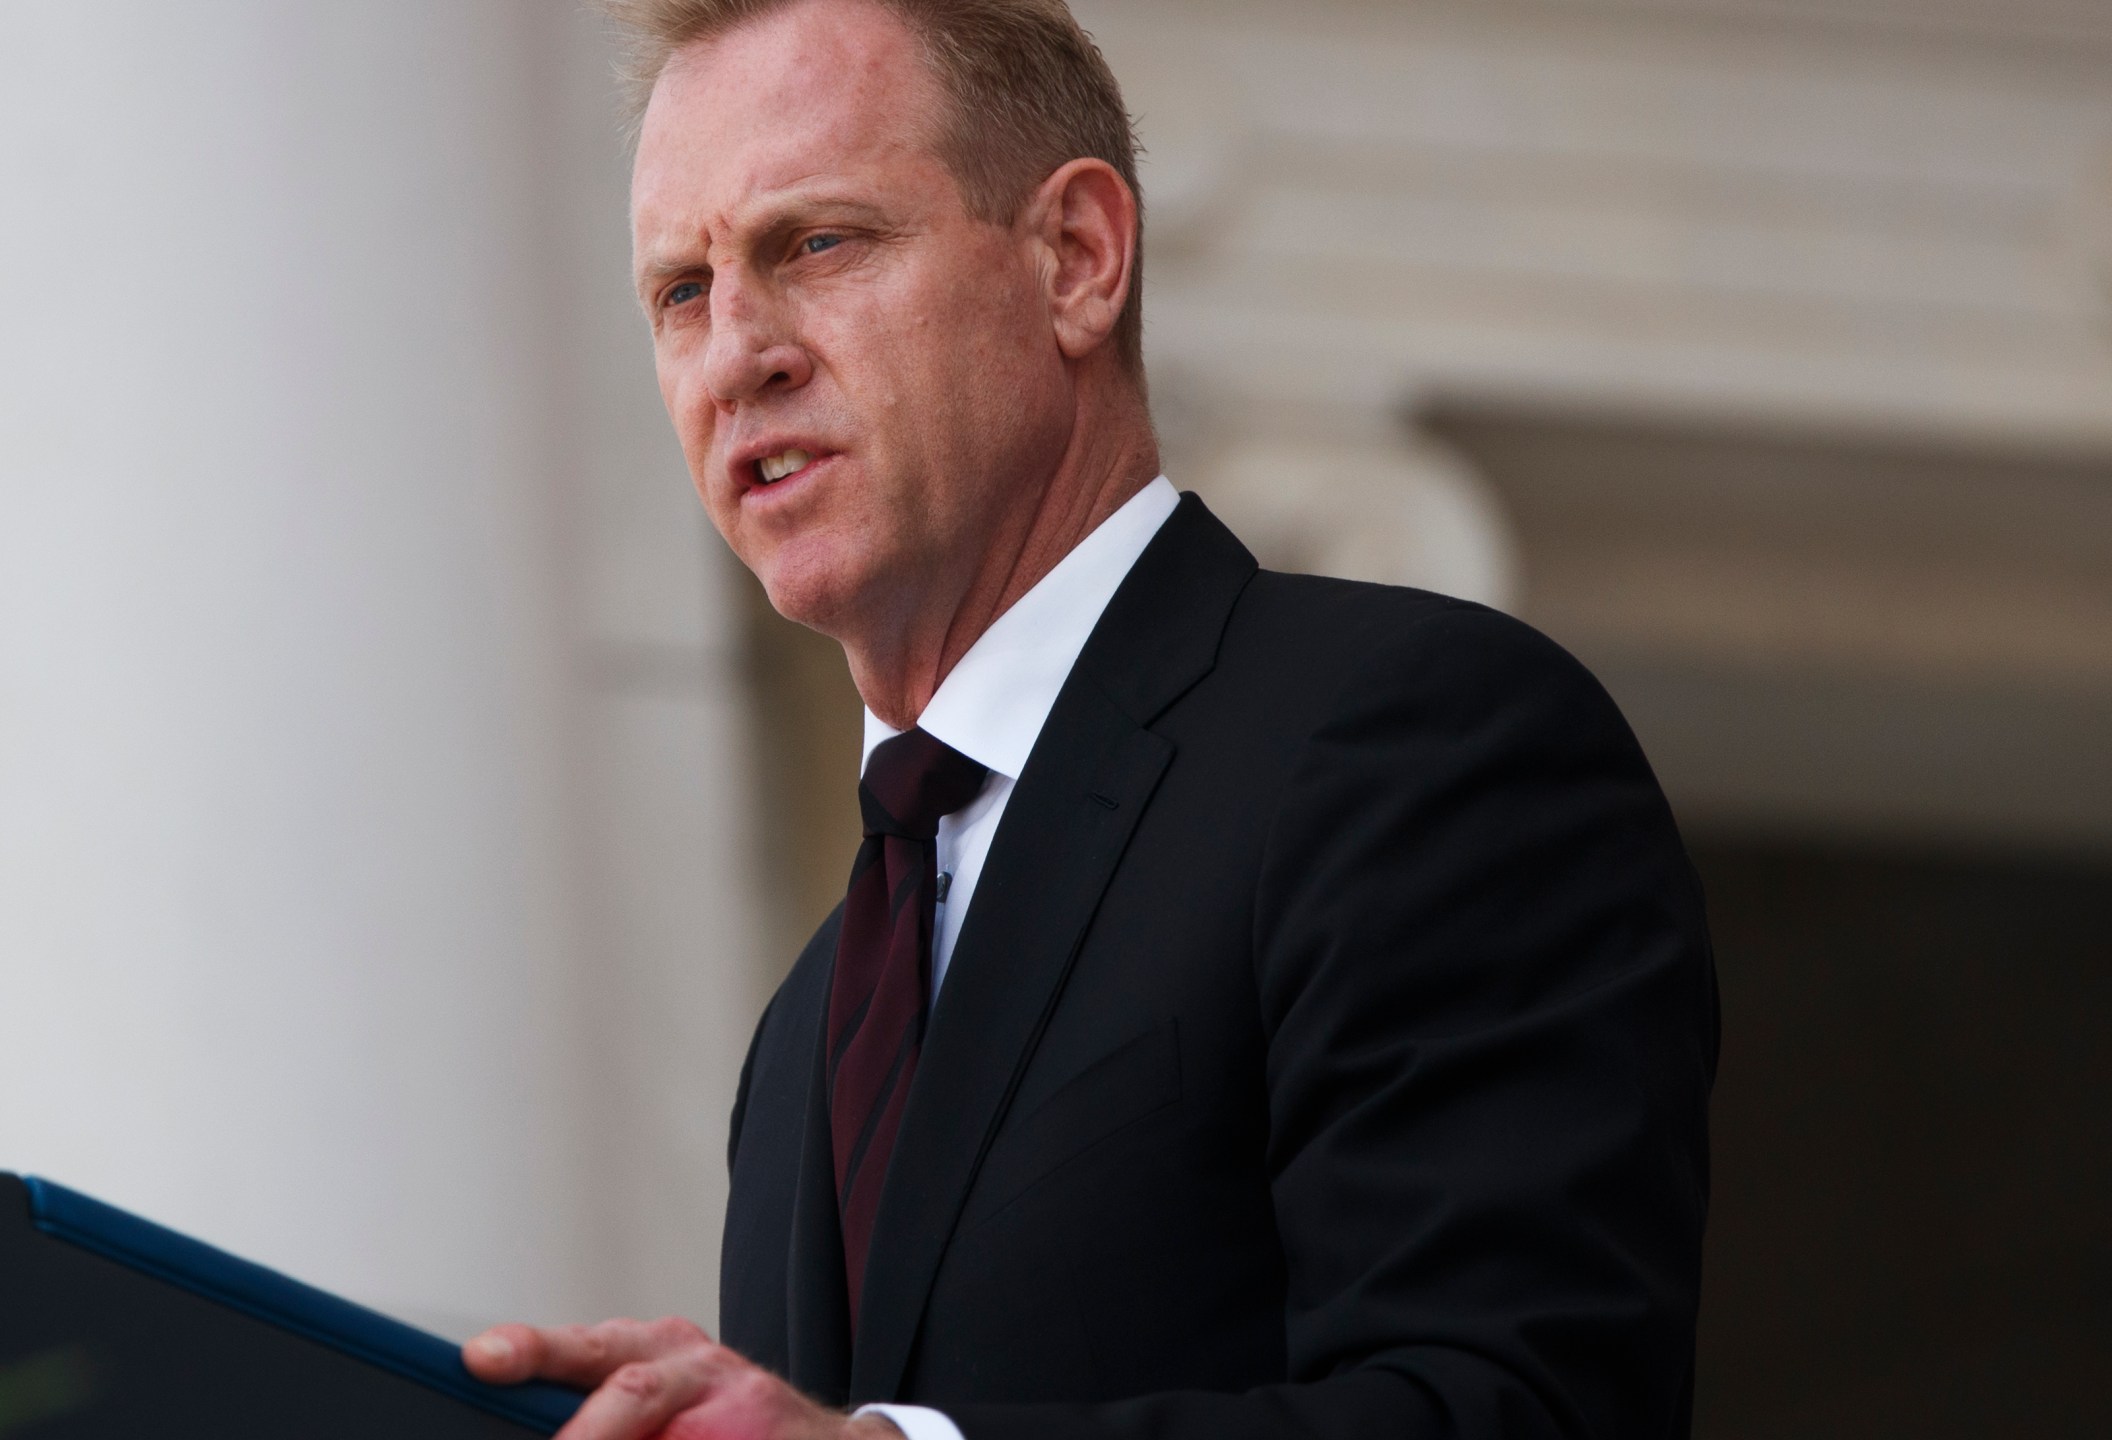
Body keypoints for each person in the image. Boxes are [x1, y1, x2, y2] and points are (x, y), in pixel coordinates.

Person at [462, 1, 1717, 1437]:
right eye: (682, 291)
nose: (739, 350)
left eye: (814, 244)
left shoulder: (1416, 746)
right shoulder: (807, 1024)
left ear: (1076, 258)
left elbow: (1520, 1413)